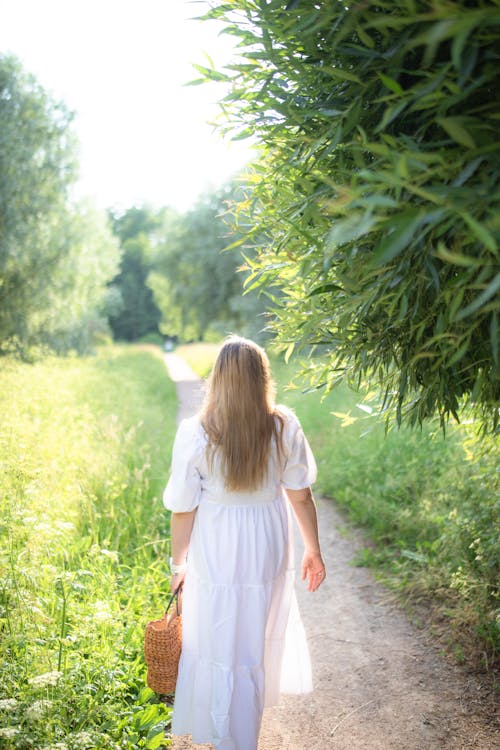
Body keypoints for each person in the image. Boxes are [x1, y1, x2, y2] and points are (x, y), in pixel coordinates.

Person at [163, 335, 326, 750]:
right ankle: (241, 737)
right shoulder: (281, 424)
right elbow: (300, 493)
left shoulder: (197, 432)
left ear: (218, 379)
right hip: (267, 540)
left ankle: (225, 737)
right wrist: (313, 549)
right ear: (261, 378)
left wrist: (178, 565)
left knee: (218, 638)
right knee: (252, 639)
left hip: (217, 541)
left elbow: (183, 508)